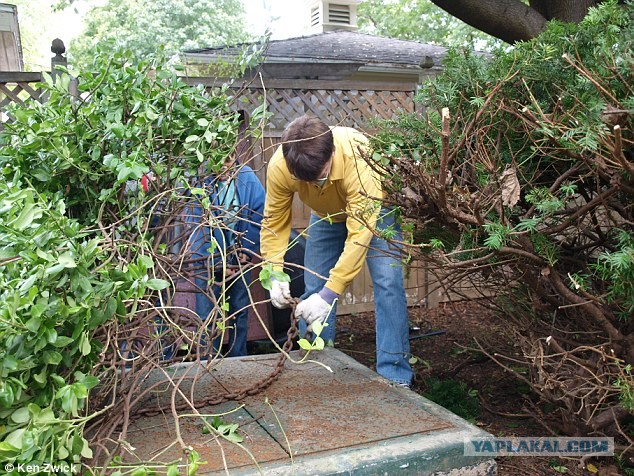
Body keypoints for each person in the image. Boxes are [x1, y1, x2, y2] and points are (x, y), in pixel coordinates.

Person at [260, 115, 412, 386]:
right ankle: (317, 367)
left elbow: (359, 235)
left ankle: (395, 375)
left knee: (388, 285)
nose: (315, 185)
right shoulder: (280, 166)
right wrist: (273, 273)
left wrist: (329, 295)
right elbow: (274, 222)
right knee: (312, 286)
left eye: (320, 177)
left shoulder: (358, 154)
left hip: (375, 213)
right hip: (327, 215)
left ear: (331, 153)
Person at [186, 156, 265, 357]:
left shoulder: (246, 177)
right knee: (207, 314)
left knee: (239, 310)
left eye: (228, 160)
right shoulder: (200, 182)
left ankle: (238, 358)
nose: (223, 165)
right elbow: (196, 227)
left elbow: (259, 215)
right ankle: (207, 359)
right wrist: (216, 262)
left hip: (239, 258)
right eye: (218, 161)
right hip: (207, 260)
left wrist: (245, 252)